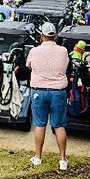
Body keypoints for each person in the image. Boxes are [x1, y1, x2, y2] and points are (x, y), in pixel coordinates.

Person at [26, 21, 70, 170]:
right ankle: (63, 159)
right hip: (58, 91)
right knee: (59, 125)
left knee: (40, 124)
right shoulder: (63, 51)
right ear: (55, 35)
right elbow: (66, 66)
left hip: (39, 90)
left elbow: (29, 65)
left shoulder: (35, 51)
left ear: (41, 35)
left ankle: (38, 157)